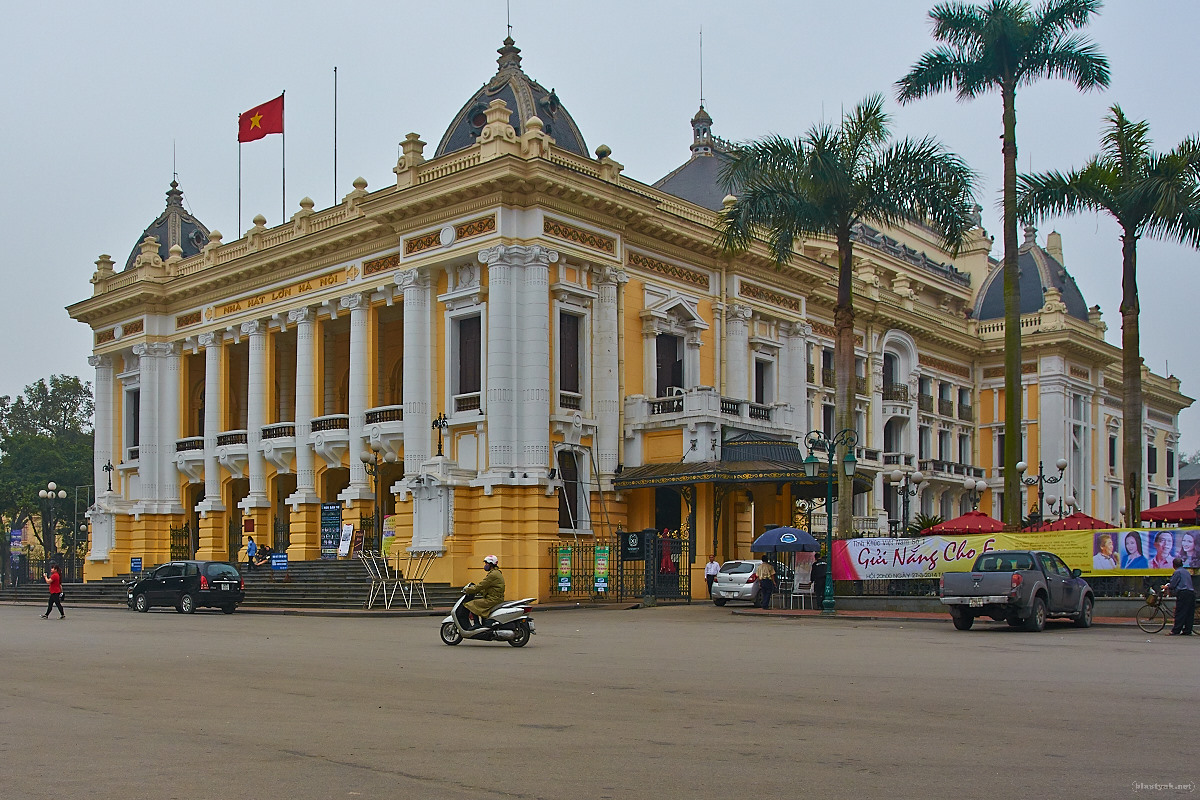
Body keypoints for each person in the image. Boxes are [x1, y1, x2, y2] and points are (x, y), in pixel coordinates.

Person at [464, 554, 505, 627]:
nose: (485, 565)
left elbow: (481, 585)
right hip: (496, 598)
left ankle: (476, 624)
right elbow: (488, 588)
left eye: (486, 563)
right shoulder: (496, 572)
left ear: (491, 564)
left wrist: (467, 590)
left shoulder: (493, 575)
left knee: (472, 604)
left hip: (493, 599)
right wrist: (479, 591)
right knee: (481, 606)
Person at [1162, 556, 1195, 636]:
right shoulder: (1186, 572)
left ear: (1174, 565)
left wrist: (1167, 587)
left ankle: (1175, 630)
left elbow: (1173, 584)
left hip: (1183, 593)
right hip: (1191, 593)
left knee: (1180, 612)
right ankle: (1187, 630)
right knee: (1189, 613)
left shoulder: (1177, 572)